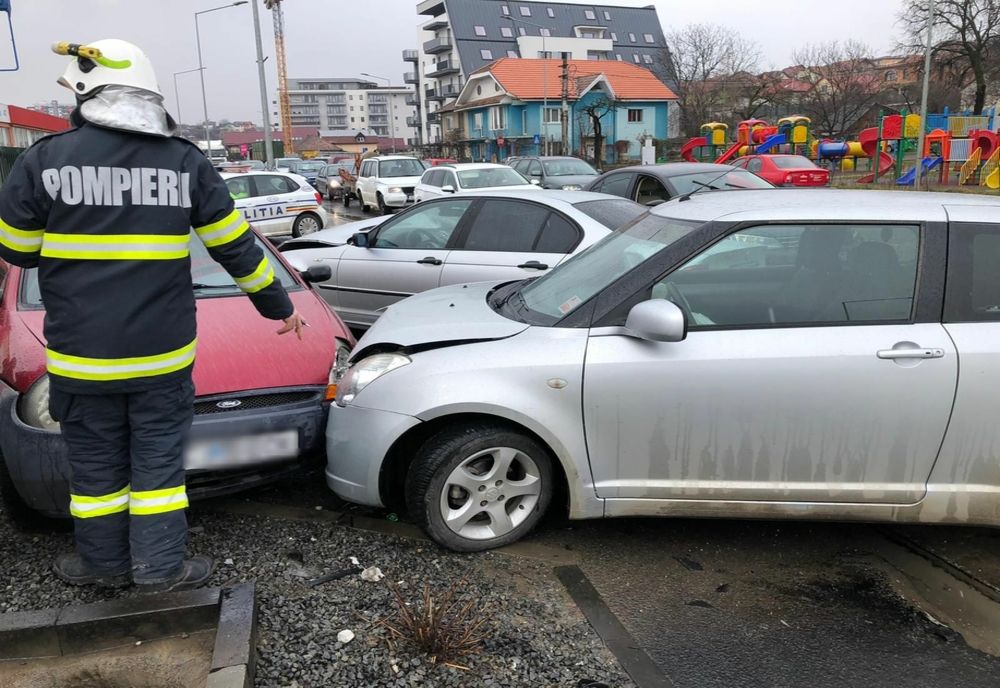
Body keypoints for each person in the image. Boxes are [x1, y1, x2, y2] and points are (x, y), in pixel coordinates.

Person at [0, 40, 306, 592]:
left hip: (82, 362)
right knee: (159, 471)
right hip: (161, 361)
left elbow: (17, 251)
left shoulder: (43, 159)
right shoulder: (185, 161)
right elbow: (235, 248)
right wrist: (279, 306)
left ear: (89, 91)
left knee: (95, 474)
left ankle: (103, 567)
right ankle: (161, 571)